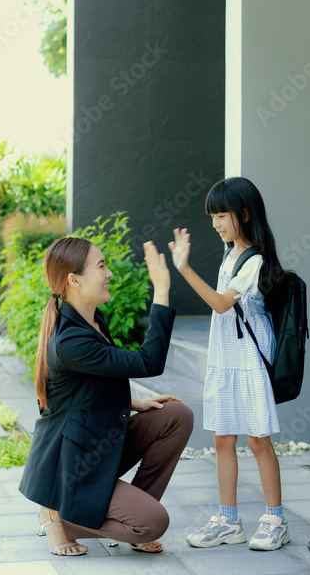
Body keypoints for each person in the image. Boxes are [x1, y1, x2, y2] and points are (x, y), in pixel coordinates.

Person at [19, 236, 193, 556]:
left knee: (176, 416)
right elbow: (148, 362)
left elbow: (84, 388)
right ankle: (57, 516)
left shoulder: (92, 321)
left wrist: (133, 403)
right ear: (75, 279)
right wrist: (162, 290)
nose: (109, 272)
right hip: (73, 465)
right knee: (154, 522)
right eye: (101, 266)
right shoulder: (70, 340)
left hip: (96, 441)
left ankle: (122, 515)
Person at [171, 177, 290, 552]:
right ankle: (228, 520)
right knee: (223, 438)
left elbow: (222, 304)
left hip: (249, 360)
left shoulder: (253, 259)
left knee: (257, 439)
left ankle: (275, 519)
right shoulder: (231, 254)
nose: (216, 223)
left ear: (243, 213)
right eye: (212, 216)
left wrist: (185, 270)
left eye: (221, 214)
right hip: (226, 358)